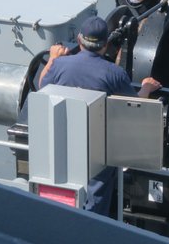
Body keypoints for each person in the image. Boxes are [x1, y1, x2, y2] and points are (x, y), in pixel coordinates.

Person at [39, 15, 162, 216]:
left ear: (79, 40)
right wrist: (146, 88)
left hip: (62, 144)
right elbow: (133, 106)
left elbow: (42, 86)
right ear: (105, 45)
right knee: (96, 194)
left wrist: (53, 58)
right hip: (97, 151)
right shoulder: (114, 73)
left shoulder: (60, 65)